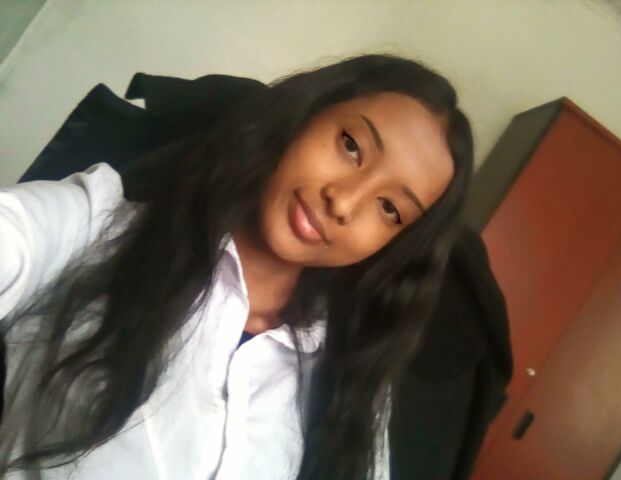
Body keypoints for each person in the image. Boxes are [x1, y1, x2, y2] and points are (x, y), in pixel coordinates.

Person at [0, 54, 473, 479]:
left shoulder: (354, 379)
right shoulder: (98, 227)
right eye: (351, 145)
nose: (344, 202)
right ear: (305, 115)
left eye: (390, 209)